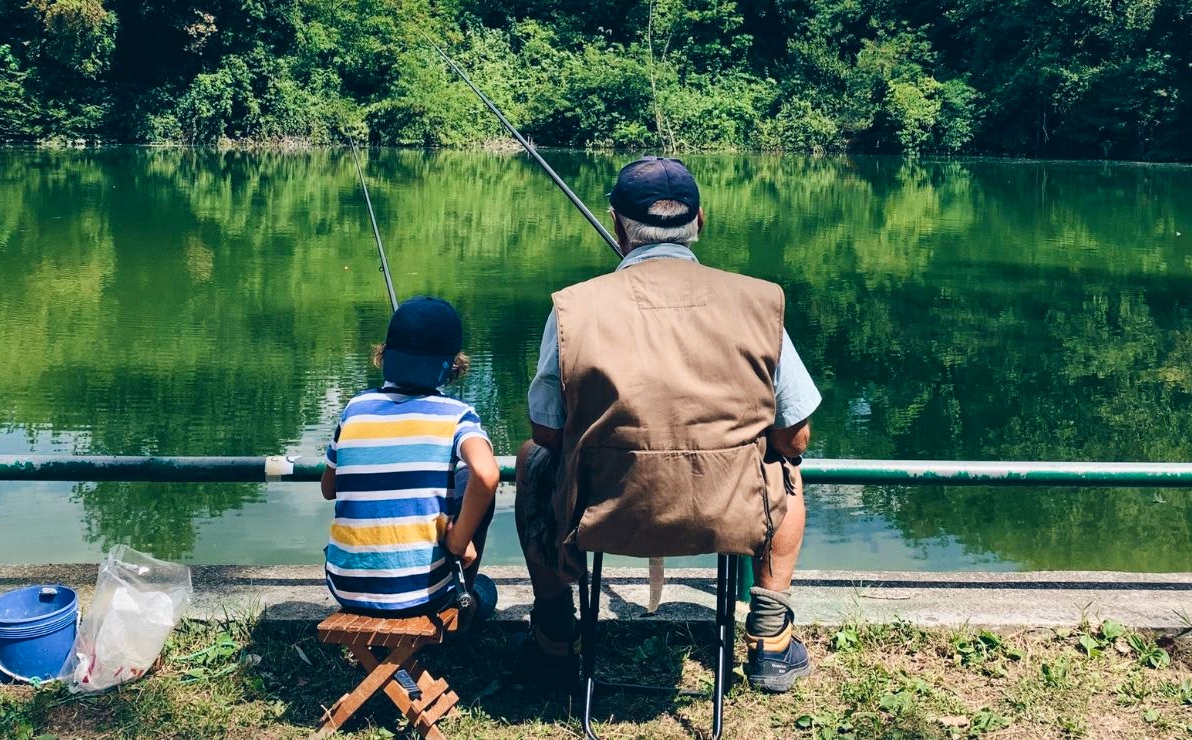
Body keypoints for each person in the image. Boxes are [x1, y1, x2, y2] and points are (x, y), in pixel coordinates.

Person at [512, 157, 821, 693]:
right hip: (731, 513)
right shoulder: (759, 301)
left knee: (530, 461)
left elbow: (547, 434)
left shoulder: (571, 310)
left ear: (616, 224)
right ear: (701, 220)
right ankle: (770, 640)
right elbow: (794, 436)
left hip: (603, 513)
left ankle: (555, 633)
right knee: (787, 472)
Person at [321, 296, 500, 630]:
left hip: (346, 587)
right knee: (487, 591)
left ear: (385, 356)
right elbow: (487, 475)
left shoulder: (355, 409)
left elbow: (328, 489)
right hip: (423, 596)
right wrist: (459, 540)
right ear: (452, 366)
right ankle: (463, 607)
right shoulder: (458, 416)